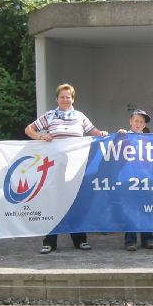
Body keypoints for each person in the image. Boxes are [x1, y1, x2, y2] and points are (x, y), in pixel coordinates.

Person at [25, 83, 108, 254]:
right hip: (54, 166)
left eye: (68, 96)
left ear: (73, 98)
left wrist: (101, 134)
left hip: (76, 167)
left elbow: (92, 131)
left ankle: (80, 240)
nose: (65, 99)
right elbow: (29, 129)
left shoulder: (79, 116)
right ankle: (49, 242)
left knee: (76, 202)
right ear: (57, 99)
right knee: (53, 203)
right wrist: (41, 136)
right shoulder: (49, 115)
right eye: (62, 96)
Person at [118, 109, 153, 251]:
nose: (139, 124)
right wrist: (119, 138)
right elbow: (114, 153)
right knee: (130, 210)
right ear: (130, 122)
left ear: (144, 124)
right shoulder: (123, 136)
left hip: (145, 179)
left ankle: (148, 239)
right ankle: (130, 241)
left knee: (146, 209)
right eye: (136, 121)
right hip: (128, 179)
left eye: (141, 121)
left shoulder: (149, 139)